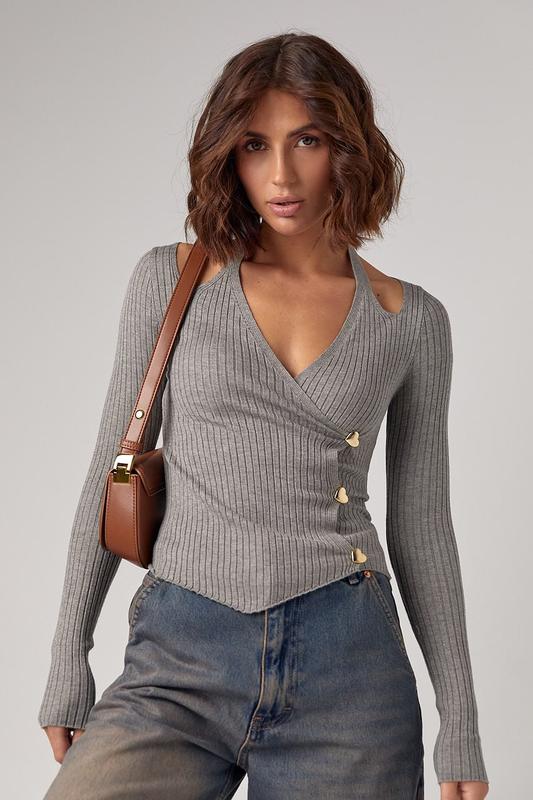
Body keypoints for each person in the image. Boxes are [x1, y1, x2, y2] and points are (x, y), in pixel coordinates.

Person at [38, 31, 490, 800]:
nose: (279, 175)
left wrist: (461, 722)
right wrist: (66, 658)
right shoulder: (170, 280)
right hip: (179, 655)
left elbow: (422, 525)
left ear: (347, 147)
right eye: (254, 145)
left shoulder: (411, 320)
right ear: (228, 154)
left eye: (306, 140)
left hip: (350, 668)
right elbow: (112, 468)